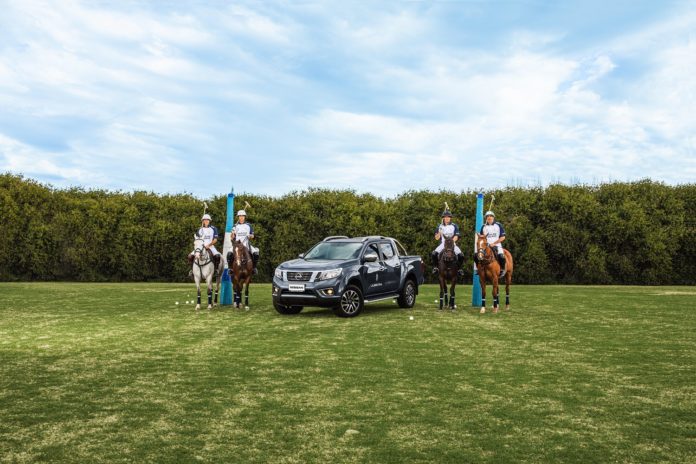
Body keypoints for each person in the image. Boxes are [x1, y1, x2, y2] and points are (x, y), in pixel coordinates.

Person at [431, 208, 465, 275]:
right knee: (434, 254)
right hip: (443, 244)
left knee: (461, 255)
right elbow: (437, 238)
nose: (447, 218)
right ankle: (436, 268)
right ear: (443, 218)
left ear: (450, 218)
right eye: (445, 217)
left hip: (452, 244)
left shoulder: (454, 226)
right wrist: (439, 232)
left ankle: (459, 269)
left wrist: (450, 242)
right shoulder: (439, 226)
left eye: (448, 217)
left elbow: (456, 236)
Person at [478, 210, 507, 277]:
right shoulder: (483, 226)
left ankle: (502, 269)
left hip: (497, 245)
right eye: (487, 216)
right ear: (486, 218)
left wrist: (494, 243)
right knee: (477, 255)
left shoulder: (498, 225)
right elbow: (481, 237)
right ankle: (478, 269)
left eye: (491, 216)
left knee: (501, 256)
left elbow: (503, 237)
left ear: (493, 217)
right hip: (486, 246)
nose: (489, 217)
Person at [230, 209, 259, 274]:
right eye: (240, 216)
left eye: (242, 216)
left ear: (244, 217)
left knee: (256, 253)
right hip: (237, 245)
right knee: (229, 254)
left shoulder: (248, 225)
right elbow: (232, 237)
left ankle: (254, 268)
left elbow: (253, 235)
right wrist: (232, 234)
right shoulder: (235, 226)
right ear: (238, 217)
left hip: (246, 244)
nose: (241, 217)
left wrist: (250, 236)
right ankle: (231, 269)